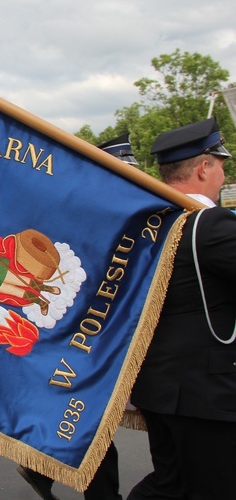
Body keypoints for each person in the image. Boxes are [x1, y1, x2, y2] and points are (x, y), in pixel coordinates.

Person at [16, 134, 138, 500]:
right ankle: (100, 493)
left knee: (89, 410)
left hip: (109, 327)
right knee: (89, 411)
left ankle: (40, 466)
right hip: (87, 329)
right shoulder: (86, 212)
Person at [128, 117, 236, 499]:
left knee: (170, 484)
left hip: (158, 384)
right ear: (204, 167)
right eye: (221, 164)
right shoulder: (209, 223)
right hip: (205, 391)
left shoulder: (148, 226)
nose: (224, 172)